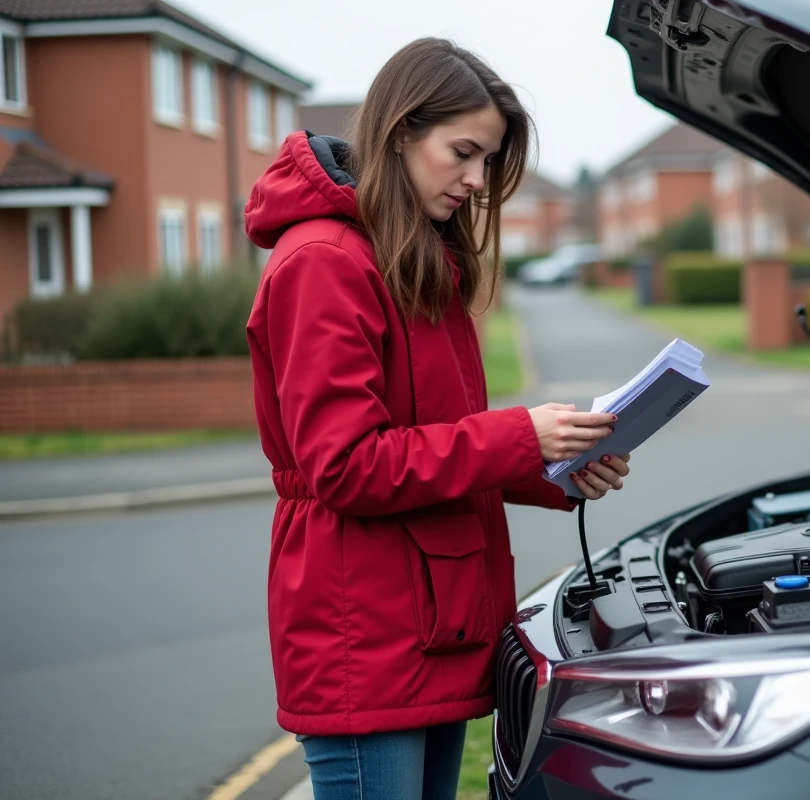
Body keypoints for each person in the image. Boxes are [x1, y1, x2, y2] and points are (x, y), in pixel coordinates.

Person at [243, 37, 632, 800]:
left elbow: (437, 442)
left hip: (432, 626)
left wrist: (555, 468)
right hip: (366, 629)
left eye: (486, 161)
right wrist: (522, 435)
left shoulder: (411, 257)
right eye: (463, 152)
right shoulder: (323, 260)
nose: (476, 181)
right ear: (400, 132)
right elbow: (347, 465)